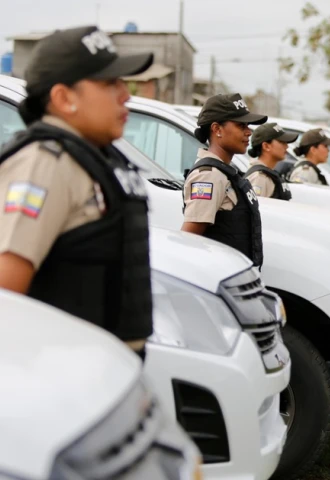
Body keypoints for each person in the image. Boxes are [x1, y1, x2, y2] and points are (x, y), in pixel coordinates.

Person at [0, 26, 154, 359]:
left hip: (107, 375)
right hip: (67, 381)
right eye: (109, 83)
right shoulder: (45, 163)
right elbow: (6, 292)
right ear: (64, 98)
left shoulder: (97, 156)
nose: (126, 94)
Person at [182, 93, 267, 268]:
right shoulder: (209, 176)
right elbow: (189, 239)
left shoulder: (224, 172)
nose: (248, 131)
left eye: (248, 125)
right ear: (217, 129)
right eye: (240, 125)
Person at [246, 122, 298, 200]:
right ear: (266, 146)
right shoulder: (260, 178)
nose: (286, 146)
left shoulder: (268, 174)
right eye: (281, 142)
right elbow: (258, 210)